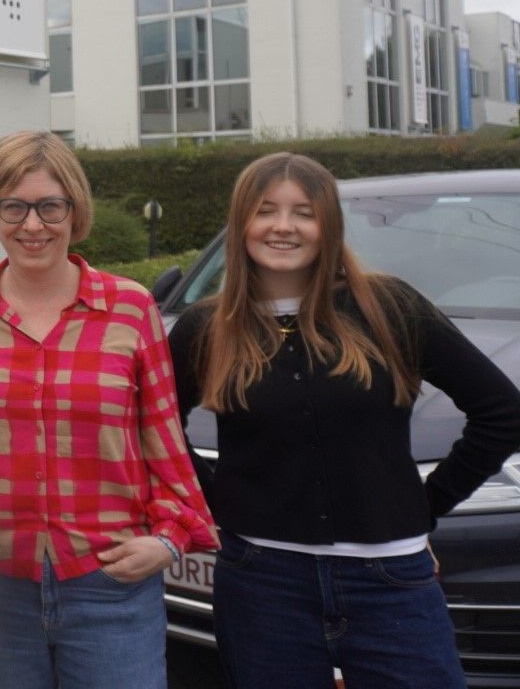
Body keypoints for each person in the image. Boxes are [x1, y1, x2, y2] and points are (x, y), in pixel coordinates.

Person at [169, 152, 520, 688]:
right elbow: (157, 427)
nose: (283, 226)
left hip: (391, 582)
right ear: (242, 222)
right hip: (264, 585)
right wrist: (220, 499)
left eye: (303, 212)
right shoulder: (205, 327)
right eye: (265, 210)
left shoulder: (389, 307)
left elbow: (502, 412)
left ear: (327, 225)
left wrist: (425, 506)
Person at [0, 130, 215, 689]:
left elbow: (163, 438)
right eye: (13, 206)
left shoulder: (129, 309)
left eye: (49, 206)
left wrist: (169, 539)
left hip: (111, 584)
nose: (32, 225)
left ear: (74, 209)